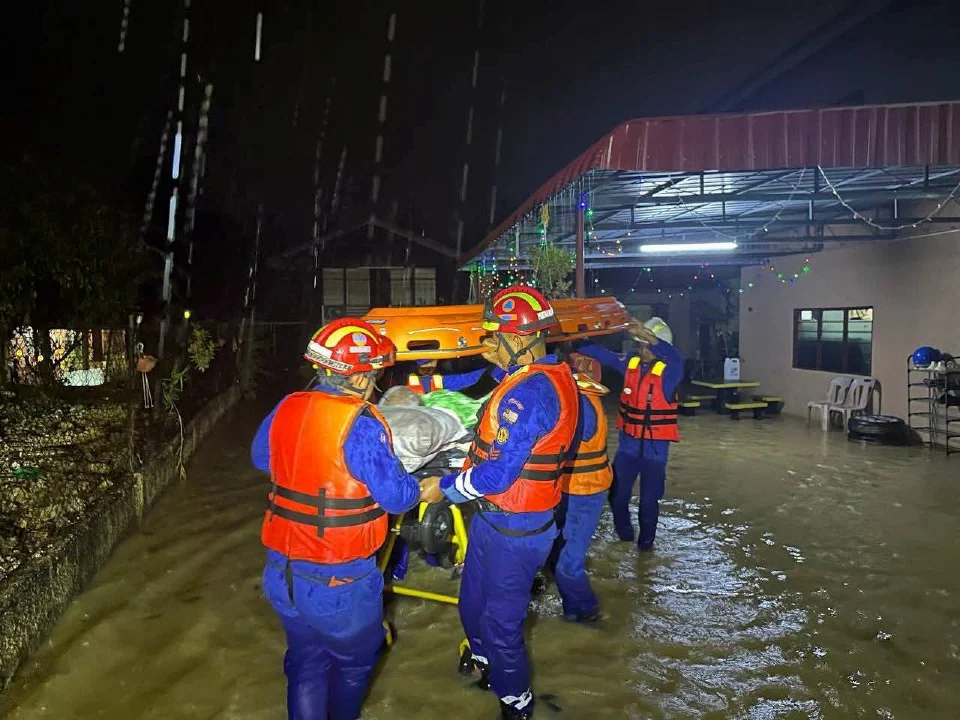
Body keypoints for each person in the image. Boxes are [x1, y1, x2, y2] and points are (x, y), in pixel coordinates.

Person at [251, 318, 438, 720]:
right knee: (354, 664)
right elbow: (396, 497)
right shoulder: (363, 425)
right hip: (339, 582)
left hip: (281, 572)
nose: (375, 383)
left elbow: (261, 458)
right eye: (373, 375)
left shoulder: (287, 405)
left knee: (306, 663)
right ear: (356, 379)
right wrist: (416, 483)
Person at [420, 285, 579, 720]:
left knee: (501, 624)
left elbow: (496, 475)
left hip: (520, 529)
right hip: (492, 521)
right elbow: (488, 391)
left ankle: (518, 704)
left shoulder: (529, 394)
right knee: (472, 607)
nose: (489, 342)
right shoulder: (525, 377)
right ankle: (490, 668)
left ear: (523, 338)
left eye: (497, 335)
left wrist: (444, 487)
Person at [575, 317, 683, 550]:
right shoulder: (630, 364)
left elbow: (674, 357)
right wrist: (576, 339)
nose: (642, 349)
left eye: (645, 344)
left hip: (656, 452)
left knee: (648, 502)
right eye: (639, 343)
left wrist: (649, 337)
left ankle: (645, 549)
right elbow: (601, 355)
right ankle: (625, 539)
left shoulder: (671, 371)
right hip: (628, 447)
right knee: (616, 496)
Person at [550, 373, 613, 623]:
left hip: (585, 489)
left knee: (568, 564)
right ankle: (572, 615)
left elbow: (571, 435)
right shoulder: (579, 396)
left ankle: (588, 612)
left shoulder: (581, 402)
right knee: (557, 554)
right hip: (570, 488)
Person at [405, 357, 489, 395]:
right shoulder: (401, 378)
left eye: (432, 361)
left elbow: (467, 378)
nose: (429, 365)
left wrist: (495, 368)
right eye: (424, 363)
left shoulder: (441, 380)